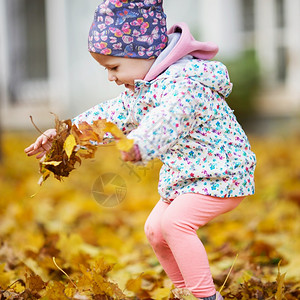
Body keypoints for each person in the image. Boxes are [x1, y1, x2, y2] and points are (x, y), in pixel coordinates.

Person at [25, 1, 256, 299]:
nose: (111, 77)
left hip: (224, 172)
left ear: (143, 53)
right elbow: (108, 118)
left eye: (114, 67)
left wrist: (141, 143)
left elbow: (169, 118)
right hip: (188, 177)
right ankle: (183, 291)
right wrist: (63, 135)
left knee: (175, 224)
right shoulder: (143, 89)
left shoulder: (184, 85)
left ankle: (205, 296)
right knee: (155, 231)